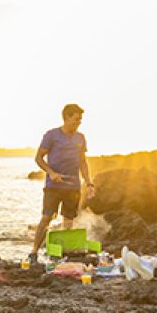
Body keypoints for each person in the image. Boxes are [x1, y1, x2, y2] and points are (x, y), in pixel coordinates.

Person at [29, 103, 95, 264]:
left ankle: (64, 254)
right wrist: (51, 173)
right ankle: (34, 253)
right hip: (53, 187)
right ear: (66, 118)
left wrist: (89, 183)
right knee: (46, 218)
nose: (79, 122)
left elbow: (82, 162)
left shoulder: (81, 138)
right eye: (76, 119)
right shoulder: (51, 135)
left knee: (68, 221)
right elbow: (38, 158)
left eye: (80, 119)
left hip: (73, 187)